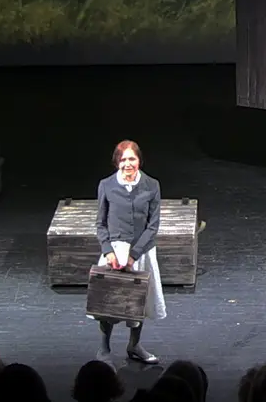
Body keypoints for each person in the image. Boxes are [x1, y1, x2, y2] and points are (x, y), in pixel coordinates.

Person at [89, 139, 166, 364]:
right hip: (115, 251)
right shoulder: (106, 185)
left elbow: (153, 225)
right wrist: (108, 251)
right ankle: (104, 348)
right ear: (117, 162)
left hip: (141, 251)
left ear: (139, 161)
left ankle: (134, 345)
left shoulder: (151, 185)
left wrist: (135, 254)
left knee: (138, 300)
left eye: (132, 159)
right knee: (109, 300)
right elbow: (100, 223)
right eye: (123, 160)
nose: (127, 164)